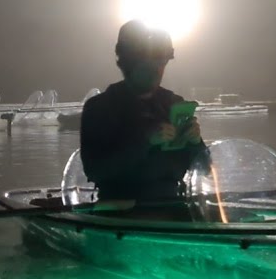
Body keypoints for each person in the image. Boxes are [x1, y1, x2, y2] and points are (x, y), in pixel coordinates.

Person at [80, 20, 205, 203]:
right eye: (149, 65)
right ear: (128, 65)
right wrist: (146, 141)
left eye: (162, 64)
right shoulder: (101, 107)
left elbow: (206, 169)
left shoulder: (173, 104)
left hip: (173, 204)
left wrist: (196, 144)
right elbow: (96, 170)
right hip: (119, 208)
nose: (157, 71)